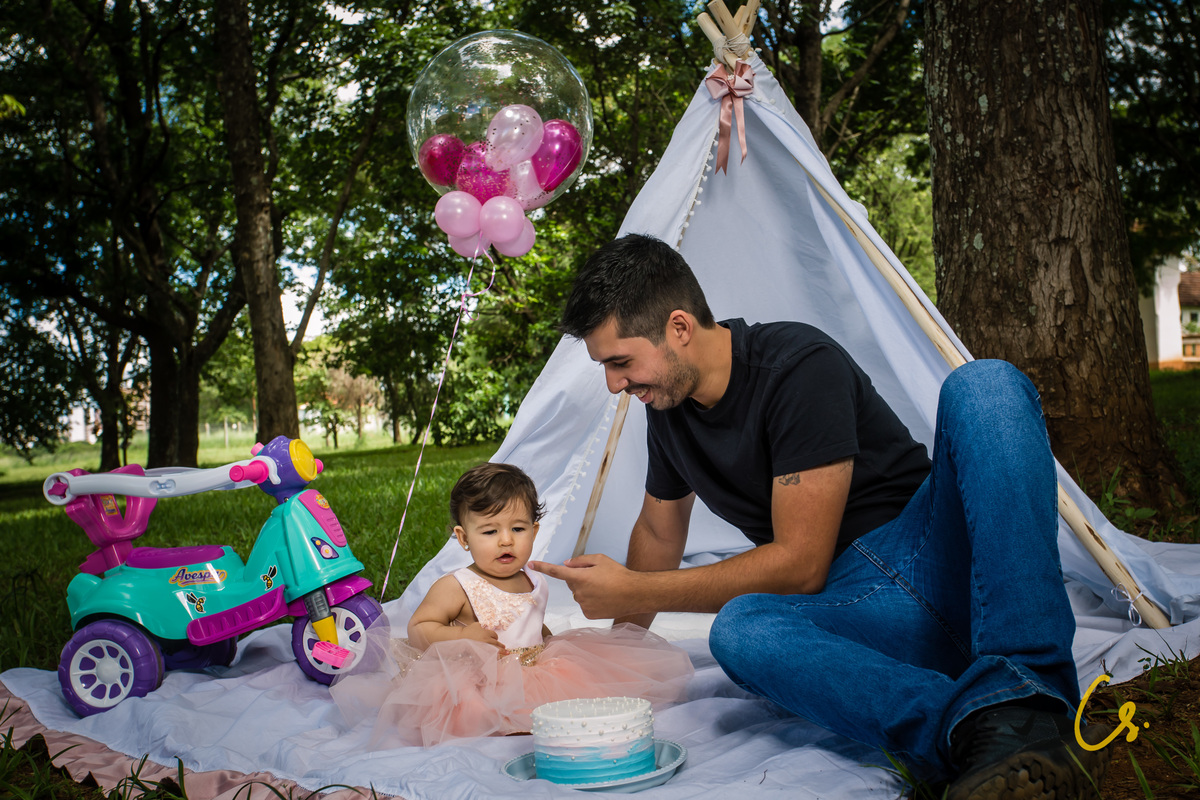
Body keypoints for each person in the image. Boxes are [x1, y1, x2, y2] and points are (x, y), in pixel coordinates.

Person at [530, 233, 1114, 799]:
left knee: (985, 384)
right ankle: (979, 733)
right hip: (859, 613)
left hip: (937, 554)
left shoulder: (796, 363)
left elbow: (800, 565)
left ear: (678, 328)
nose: (613, 384)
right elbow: (659, 532)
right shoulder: (669, 413)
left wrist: (632, 585)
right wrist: (621, 642)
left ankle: (1035, 695)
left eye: (620, 361)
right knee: (741, 630)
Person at [330, 461, 693, 748]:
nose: (505, 541)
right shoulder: (458, 585)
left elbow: (532, 620)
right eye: (489, 532)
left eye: (518, 529)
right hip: (480, 673)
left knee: (577, 699)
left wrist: (550, 642)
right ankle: (502, 727)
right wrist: (462, 636)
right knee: (476, 711)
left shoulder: (534, 578)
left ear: (534, 532)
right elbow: (418, 627)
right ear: (463, 538)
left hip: (534, 664)